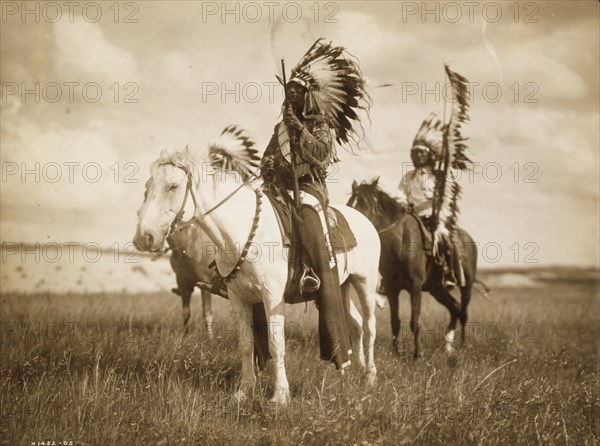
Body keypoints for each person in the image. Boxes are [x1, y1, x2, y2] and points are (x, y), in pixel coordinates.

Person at [261, 39, 371, 370]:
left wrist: (301, 133)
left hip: (309, 189)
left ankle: (314, 274)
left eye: (296, 91)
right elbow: (268, 157)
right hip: (279, 189)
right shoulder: (280, 126)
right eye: (288, 91)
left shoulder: (318, 124)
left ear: (307, 94)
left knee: (309, 223)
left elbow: (322, 156)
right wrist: (267, 172)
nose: (290, 95)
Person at [397, 113, 458, 289]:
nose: (417, 156)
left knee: (444, 239)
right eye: (414, 153)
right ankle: (390, 277)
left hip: (433, 218)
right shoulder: (408, 177)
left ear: (429, 156)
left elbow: (446, 200)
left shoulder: (439, 177)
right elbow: (400, 195)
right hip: (411, 217)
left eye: (421, 153)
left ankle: (448, 273)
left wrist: (439, 216)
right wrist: (404, 205)